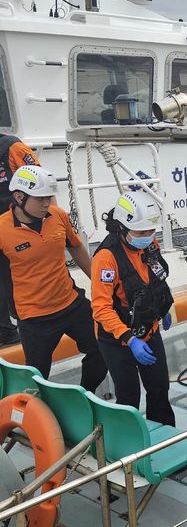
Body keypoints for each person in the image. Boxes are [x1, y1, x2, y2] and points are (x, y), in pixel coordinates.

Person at [0, 165, 107, 391]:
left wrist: (99, 285)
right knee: (38, 377)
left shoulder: (58, 216)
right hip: (33, 316)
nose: (46, 204)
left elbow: (76, 248)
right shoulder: (2, 230)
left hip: (71, 303)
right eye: (40, 199)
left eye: (49, 197)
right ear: (19, 197)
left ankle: (85, 395)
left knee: (103, 348)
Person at [91, 191, 175, 425]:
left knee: (159, 388)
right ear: (121, 228)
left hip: (148, 329)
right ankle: (129, 451)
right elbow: (101, 308)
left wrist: (163, 309)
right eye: (141, 232)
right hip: (117, 340)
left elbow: (156, 280)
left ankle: (166, 439)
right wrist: (130, 339)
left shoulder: (149, 244)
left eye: (151, 231)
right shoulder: (106, 259)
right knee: (129, 397)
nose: (148, 237)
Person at [0, 135, 39, 347]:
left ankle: (27, 321)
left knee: (21, 273)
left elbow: (39, 181)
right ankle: (5, 330)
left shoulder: (12, 148)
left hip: (19, 225)